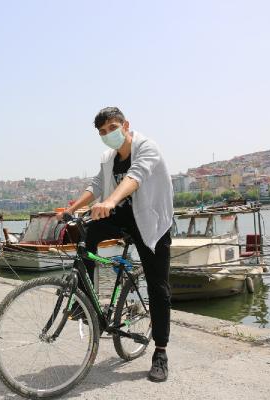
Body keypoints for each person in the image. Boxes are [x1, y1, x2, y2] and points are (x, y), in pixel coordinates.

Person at [59, 107, 173, 383]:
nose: (108, 134)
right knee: (87, 234)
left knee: (158, 286)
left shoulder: (147, 147)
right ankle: (85, 303)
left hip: (151, 219)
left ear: (125, 125)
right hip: (122, 215)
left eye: (112, 127)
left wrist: (110, 201)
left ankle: (160, 352)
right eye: (102, 132)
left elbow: (136, 177)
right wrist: (72, 208)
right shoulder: (108, 157)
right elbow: (97, 184)